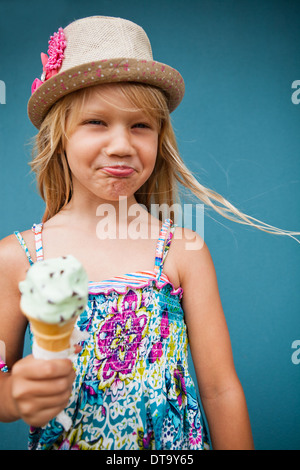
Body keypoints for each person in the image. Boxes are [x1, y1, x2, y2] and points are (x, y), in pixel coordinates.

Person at [0, 15, 297, 451]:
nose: (122, 144)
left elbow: (220, 390)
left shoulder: (182, 250)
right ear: (59, 136)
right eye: (96, 122)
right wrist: (12, 395)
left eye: (141, 125)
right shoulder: (16, 258)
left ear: (160, 138)